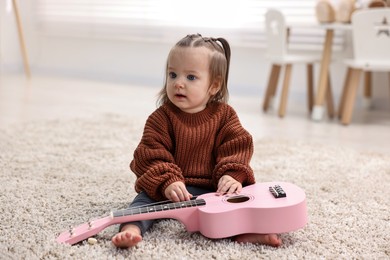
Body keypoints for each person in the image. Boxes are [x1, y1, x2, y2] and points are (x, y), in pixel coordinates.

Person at [112, 34, 282, 248]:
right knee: (143, 202)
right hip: (171, 189)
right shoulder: (161, 118)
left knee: (236, 205)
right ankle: (131, 229)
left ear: (214, 86)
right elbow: (150, 155)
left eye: (190, 77)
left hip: (212, 187)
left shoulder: (225, 115)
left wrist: (231, 176)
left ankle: (247, 233)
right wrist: (168, 182)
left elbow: (237, 147)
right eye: (172, 75)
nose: (178, 84)